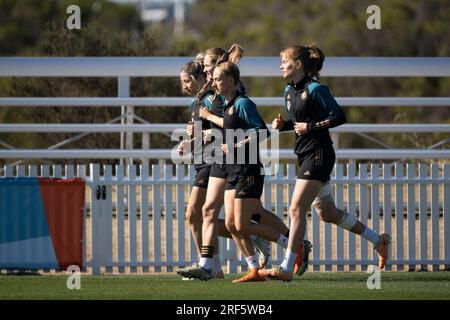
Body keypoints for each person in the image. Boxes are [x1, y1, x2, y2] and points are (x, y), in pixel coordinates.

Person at [178, 46, 310, 281]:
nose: (205, 69)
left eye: (208, 66)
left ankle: (289, 244)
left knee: (241, 219)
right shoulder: (217, 97)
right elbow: (226, 127)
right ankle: (228, 266)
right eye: (206, 68)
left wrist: (218, 133)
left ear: (225, 75)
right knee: (229, 218)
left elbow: (254, 130)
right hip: (225, 160)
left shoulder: (232, 99)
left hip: (241, 163)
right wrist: (198, 137)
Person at [260, 44, 390, 282]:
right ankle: (377, 239)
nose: (280, 66)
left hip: (319, 153)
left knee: (296, 208)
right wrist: (285, 125)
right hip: (304, 152)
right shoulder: (288, 90)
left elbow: (339, 116)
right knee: (327, 212)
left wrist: (310, 127)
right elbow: (300, 120)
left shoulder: (317, 89)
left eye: (284, 61)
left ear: (298, 65)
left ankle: (287, 267)